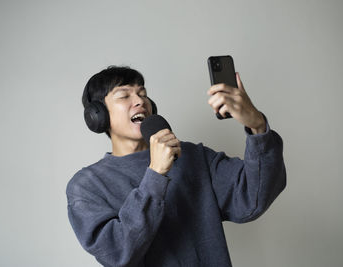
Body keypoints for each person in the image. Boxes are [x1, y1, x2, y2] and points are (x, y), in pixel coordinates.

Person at [66, 65, 286, 267]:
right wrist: (156, 174)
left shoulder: (192, 156)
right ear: (98, 116)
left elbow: (253, 198)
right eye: (124, 95)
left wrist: (257, 126)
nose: (140, 101)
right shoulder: (86, 186)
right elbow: (118, 253)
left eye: (143, 94)